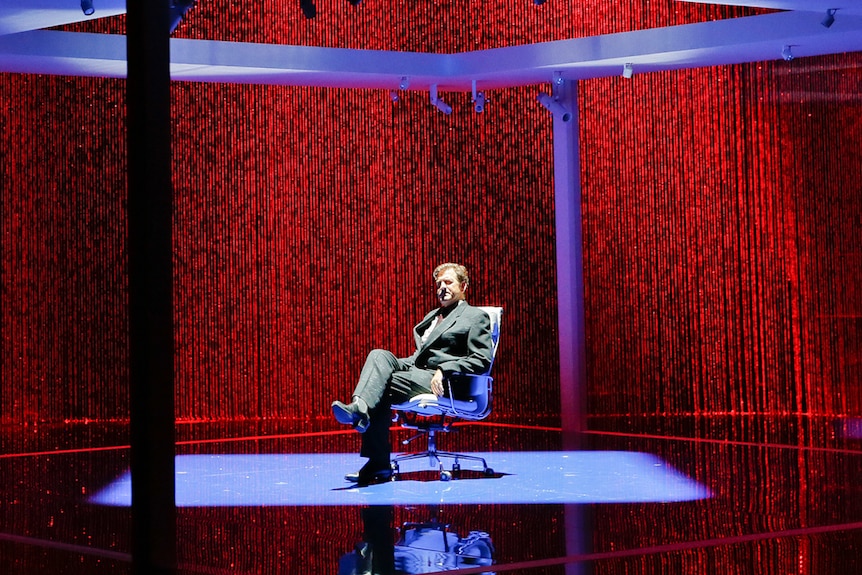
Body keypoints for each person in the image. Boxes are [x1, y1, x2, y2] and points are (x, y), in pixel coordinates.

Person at [332, 262, 494, 484]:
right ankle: (360, 407)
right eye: (438, 283)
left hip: (445, 381)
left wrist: (445, 370)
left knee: (383, 386)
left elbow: (481, 360)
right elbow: (419, 357)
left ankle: (377, 460)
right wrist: (393, 365)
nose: (442, 287)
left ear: (463, 286)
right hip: (418, 373)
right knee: (379, 356)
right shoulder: (434, 315)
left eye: (448, 282)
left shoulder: (475, 316)